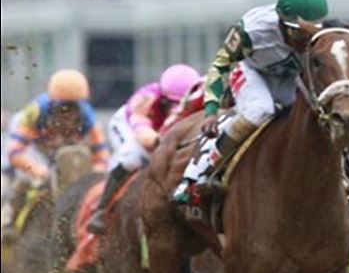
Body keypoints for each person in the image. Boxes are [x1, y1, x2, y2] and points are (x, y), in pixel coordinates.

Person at [171, 0, 329, 207]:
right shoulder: (253, 30)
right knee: (260, 109)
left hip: (288, 81)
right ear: (282, 24)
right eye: (299, 33)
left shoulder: (322, 36)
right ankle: (197, 175)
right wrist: (211, 111)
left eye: (311, 31)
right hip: (254, 73)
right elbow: (220, 65)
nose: (307, 40)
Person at [86, 63, 200, 234]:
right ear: (163, 98)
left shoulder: (201, 99)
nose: (177, 111)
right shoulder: (146, 99)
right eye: (172, 105)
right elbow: (141, 130)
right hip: (130, 126)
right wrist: (157, 140)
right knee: (132, 158)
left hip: (165, 134)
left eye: (183, 105)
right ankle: (101, 209)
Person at [1, 69, 108, 242]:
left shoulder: (89, 117)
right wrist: (36, 170)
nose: (67, 115)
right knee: (26, 179)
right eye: (63, 108)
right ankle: (10, 223)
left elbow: (101, 156)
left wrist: (94, 176)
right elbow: (14, 152)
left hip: (63, 150)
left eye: (73, 108)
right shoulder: (34, 112)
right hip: (33, 148)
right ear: (52, 103)